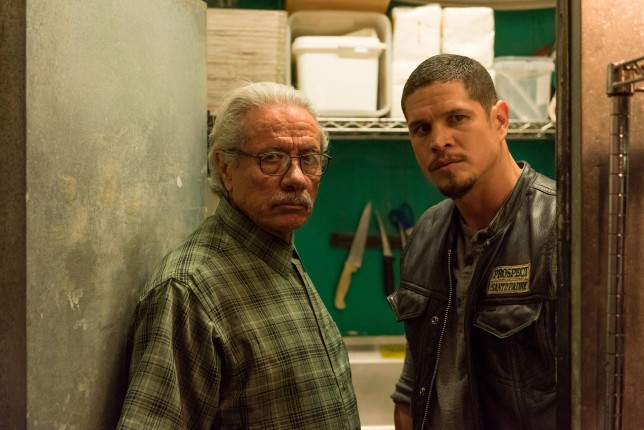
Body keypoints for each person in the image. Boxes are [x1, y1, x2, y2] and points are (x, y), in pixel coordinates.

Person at [118, 82, 360, 429]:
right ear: (226, 169)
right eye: (272, 158)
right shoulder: (188, 291)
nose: (296, 178)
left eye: (309, 159)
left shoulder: (278, 253)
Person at [387, 54, 557, 429]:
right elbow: (412, 387)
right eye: (421, 128)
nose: (439, 141)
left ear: (499, 121)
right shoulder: (426, 232)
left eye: (457, 118)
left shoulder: (561, 228)